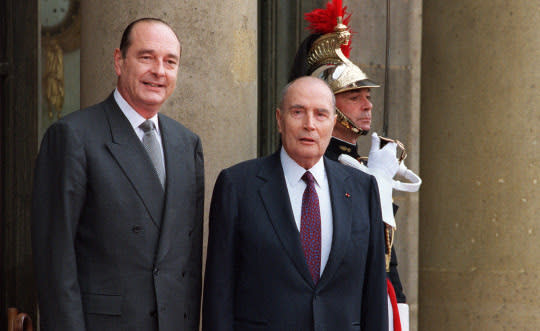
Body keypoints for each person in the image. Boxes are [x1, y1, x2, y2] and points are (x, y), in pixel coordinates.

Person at [31, 18, 204, 330]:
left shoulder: (187, 144)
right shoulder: (73, 136)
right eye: (146, 57)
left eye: (170, 61)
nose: (159, 71)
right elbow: (55, 263)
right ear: (119, 61)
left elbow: (187, 264)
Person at [203, 76, 388, 330]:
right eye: (298, 112)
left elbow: (375, 295)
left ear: (333, 123)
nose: (309, 125)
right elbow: (218, 294)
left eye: (321, 114)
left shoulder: (362, 189)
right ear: (280, 120)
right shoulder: (237, 186)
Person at [288, 2, 422, 330]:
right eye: (355, 96)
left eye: (368, 95)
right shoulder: (320, 165)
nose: (368, 105)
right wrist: (375, 180)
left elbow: (386, 259)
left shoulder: (363, 161)